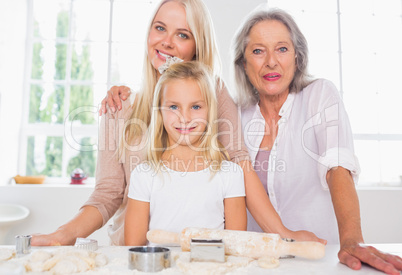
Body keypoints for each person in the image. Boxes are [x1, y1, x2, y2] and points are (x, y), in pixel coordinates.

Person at [32, 0, 321, 247]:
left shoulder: (214, 93)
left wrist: (283, 234)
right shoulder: (118, 107)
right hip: (133, 256)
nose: (167, 41)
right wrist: (63, 235)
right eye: (160, 28)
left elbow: (240, 162)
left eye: (182, 34)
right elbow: (107, 193)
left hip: (201, 258)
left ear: (197, 45)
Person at [231, 7, 402, 274]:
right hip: (258, 264)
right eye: (258, 51)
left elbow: (337, 167)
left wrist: (352, 240)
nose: (271, 61)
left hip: (320, 262)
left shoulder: (319, 95)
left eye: (282, 49)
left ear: (298, 58)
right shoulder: (236, 116)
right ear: (243, 63)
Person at [125, 61, 246, 245]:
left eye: (196, 107)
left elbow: (237, 248)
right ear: (160, 112)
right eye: (173, 107)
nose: (185, 117)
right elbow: (134, 249)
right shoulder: (144, 176)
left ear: (210, 110)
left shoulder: (230, 175)